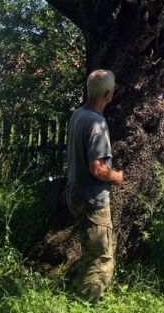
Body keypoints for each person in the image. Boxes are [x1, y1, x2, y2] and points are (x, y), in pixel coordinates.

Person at [65, 69, 124, 301]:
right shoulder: (97, 123)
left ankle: (81, 289)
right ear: (108, 94)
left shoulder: (78, 114)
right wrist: (117, 176)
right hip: (93, 201)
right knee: (100, 257)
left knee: (89, 250)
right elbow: (98, 169)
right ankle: (86, 301)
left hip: (75, 193)